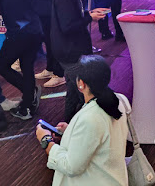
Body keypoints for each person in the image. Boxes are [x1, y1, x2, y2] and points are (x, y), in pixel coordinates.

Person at [35, 55, 130, 186]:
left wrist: (46, 141)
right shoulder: (120, 100)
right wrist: (70, 130)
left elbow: (71, 166)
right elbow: (103, 134)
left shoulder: (89, 118)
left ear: (81, 84)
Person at [52, 0, 108, 121]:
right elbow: (68, 26)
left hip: (70, 49)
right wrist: (89, 17)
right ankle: (82, 124)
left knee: (74, 89)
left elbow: (72, 15)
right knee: (86, 92)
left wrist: (89, 13)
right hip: (69, 51)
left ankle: (68, 123)